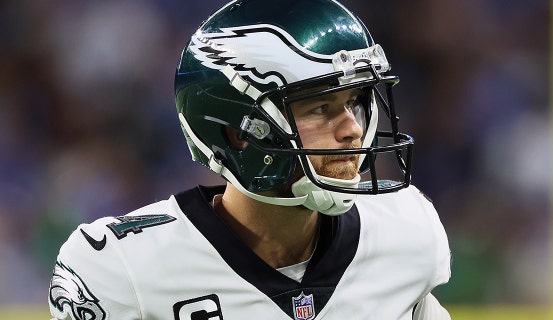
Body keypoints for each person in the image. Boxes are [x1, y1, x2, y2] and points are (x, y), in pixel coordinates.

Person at [47, 0, 452, 319]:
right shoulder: (122, 269)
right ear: (240, 134)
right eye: (321, 108)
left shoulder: (405, 232)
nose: (351, 129)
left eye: (355, 103)